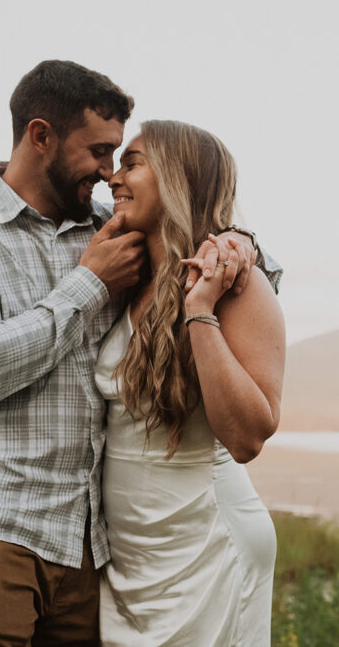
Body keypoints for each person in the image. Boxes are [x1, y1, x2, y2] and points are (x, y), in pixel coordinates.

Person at [0, 61, 277, 645]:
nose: (109, 174)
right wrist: (88, 284)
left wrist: (240, 242)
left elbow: (201, 238)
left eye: (121, 157)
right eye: (101, 152)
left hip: (86, 549)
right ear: (41, 136)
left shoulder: (112, 226)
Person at [96, 120, 285, 645]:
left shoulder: (236, 289)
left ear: (178, 178)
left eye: (132, 163)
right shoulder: (125, 274)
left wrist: (199, 311)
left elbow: (248, 437)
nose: (113, 176)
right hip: (135, 560)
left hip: (206, 543)